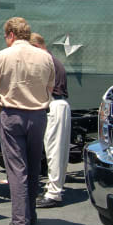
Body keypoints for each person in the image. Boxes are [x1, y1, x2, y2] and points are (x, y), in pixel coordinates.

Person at [0, 17, 55, 225]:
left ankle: (20, 221)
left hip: (12, 115)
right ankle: (30, 214)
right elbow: (50, 87)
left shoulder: (1, 57)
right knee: (33, 166)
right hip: (38, 116)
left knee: (16, 169)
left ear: (11, 35)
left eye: (6, 36)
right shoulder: (45, 57)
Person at [30, 32, 71, 208]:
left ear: (36, 47)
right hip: (57, 104)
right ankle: (54, 189)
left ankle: (54, 194)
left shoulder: (45, 60)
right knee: (57, 152)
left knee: (55, 153)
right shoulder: (51, 60)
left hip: (54, 104)